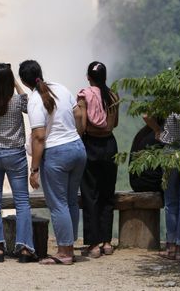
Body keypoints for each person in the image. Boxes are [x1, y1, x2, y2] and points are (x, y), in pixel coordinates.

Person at [21, 60, 86, 265]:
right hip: (77, 148)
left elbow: (39, 137)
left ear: (24, 81)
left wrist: (34, 169)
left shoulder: (34, 101)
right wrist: (76, 134)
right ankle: (69, 247)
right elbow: (78, 113)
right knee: (71, 200)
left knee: (58, 204)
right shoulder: (60, 88)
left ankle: (64, 252)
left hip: (57, 154)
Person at [0, 63, 36, 263]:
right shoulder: (18, 102)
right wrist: (17, 84)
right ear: (10, 81)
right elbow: (29, 104)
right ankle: (25, 249)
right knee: (22, 202)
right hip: (15, 155)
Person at [143, 112, 180, 262]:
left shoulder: (168, 94)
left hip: (169, 150)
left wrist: (158, 130)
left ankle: (171, 247)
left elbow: (146, 115)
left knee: (171, 200)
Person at [78, 61, 119, 258]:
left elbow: (83, 124)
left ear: (88, 77)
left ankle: (93, 244)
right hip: (110, 146)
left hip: (91, 146)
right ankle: (107, 242)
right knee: (107, 194)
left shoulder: (84, 95)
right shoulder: (113, 95)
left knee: (90, 194)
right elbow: (115, 124)